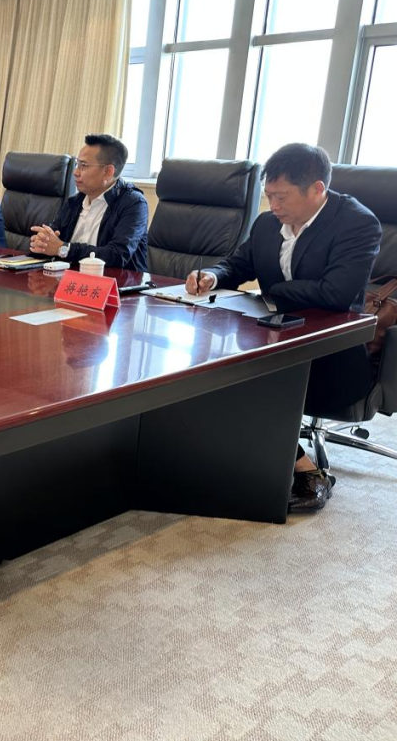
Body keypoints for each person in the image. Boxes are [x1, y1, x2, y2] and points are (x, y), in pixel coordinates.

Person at [186, 143, 381, 513]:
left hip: (331, 354)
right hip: (273, 338)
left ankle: (308, 472)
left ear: (317, 189)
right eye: (269, 195)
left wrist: (271, 292)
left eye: (282, 196)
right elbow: (238, 264)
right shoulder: (267, 224)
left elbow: (336, 294)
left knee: (240, 378)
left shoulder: (357, 223)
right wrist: (212, 276)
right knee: (208, 367)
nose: (273, 205)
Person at [29, 133, 148, 270]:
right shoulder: (74, 202)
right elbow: (52, 241)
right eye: (77, 164)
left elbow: (117, 255)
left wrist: (63, 249)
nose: (75, 172)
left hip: (116, 281)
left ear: (108, 171)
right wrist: (41, 242)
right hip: (70, 278)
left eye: (83, 165)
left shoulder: (134, 204)